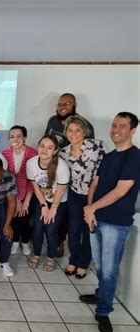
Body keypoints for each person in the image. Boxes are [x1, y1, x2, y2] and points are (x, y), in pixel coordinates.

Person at [80, 112, 140, 332]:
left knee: (109, 269)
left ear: (133, 130)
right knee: (100, 265)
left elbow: (121, 190)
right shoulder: (109, 155)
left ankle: (104, 311)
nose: (116, 129)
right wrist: (89, 209)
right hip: (96, 218)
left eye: (122, 126)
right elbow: (95, 184)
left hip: (116, 222)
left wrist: (92, 208)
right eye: (114, 125)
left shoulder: (134, 157)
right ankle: (100, 294)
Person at [59, 115, 107, 278]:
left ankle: (83, 263)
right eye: (70, 130)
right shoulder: (64, 153)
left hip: (94, 195)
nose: (73, 134)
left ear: (84, 132)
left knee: (88, 229)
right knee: (73, 229)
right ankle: (73, 259)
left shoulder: (98, 146)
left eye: (77, 130)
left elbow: (108, 169)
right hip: (74, 194)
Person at [26, 135, 69, 272]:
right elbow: (35, 187)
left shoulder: (61, 167)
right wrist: (44, 206)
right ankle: (37, 254)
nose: (45, 150)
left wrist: (53, 209)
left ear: (55, 151)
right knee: (38, 227)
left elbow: (61, 191)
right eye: (42, 146)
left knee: (51, 229)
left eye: (49, 147)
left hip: (59, 202)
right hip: (42, 199)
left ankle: (51, 257)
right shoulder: (31, 163)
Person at [2, 125, 38, 255]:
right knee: (15, 219)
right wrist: (16, 200)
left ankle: (25, 242)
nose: (15, 139)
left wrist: (26, 201)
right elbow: (6, 179)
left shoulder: (33, 154)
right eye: (12, 137)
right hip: (12, 195)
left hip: (29, 193)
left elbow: (33, 180)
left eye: (19, 136)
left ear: (24, 138)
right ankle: (16, 241)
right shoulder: (5, 154)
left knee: (25, 219)